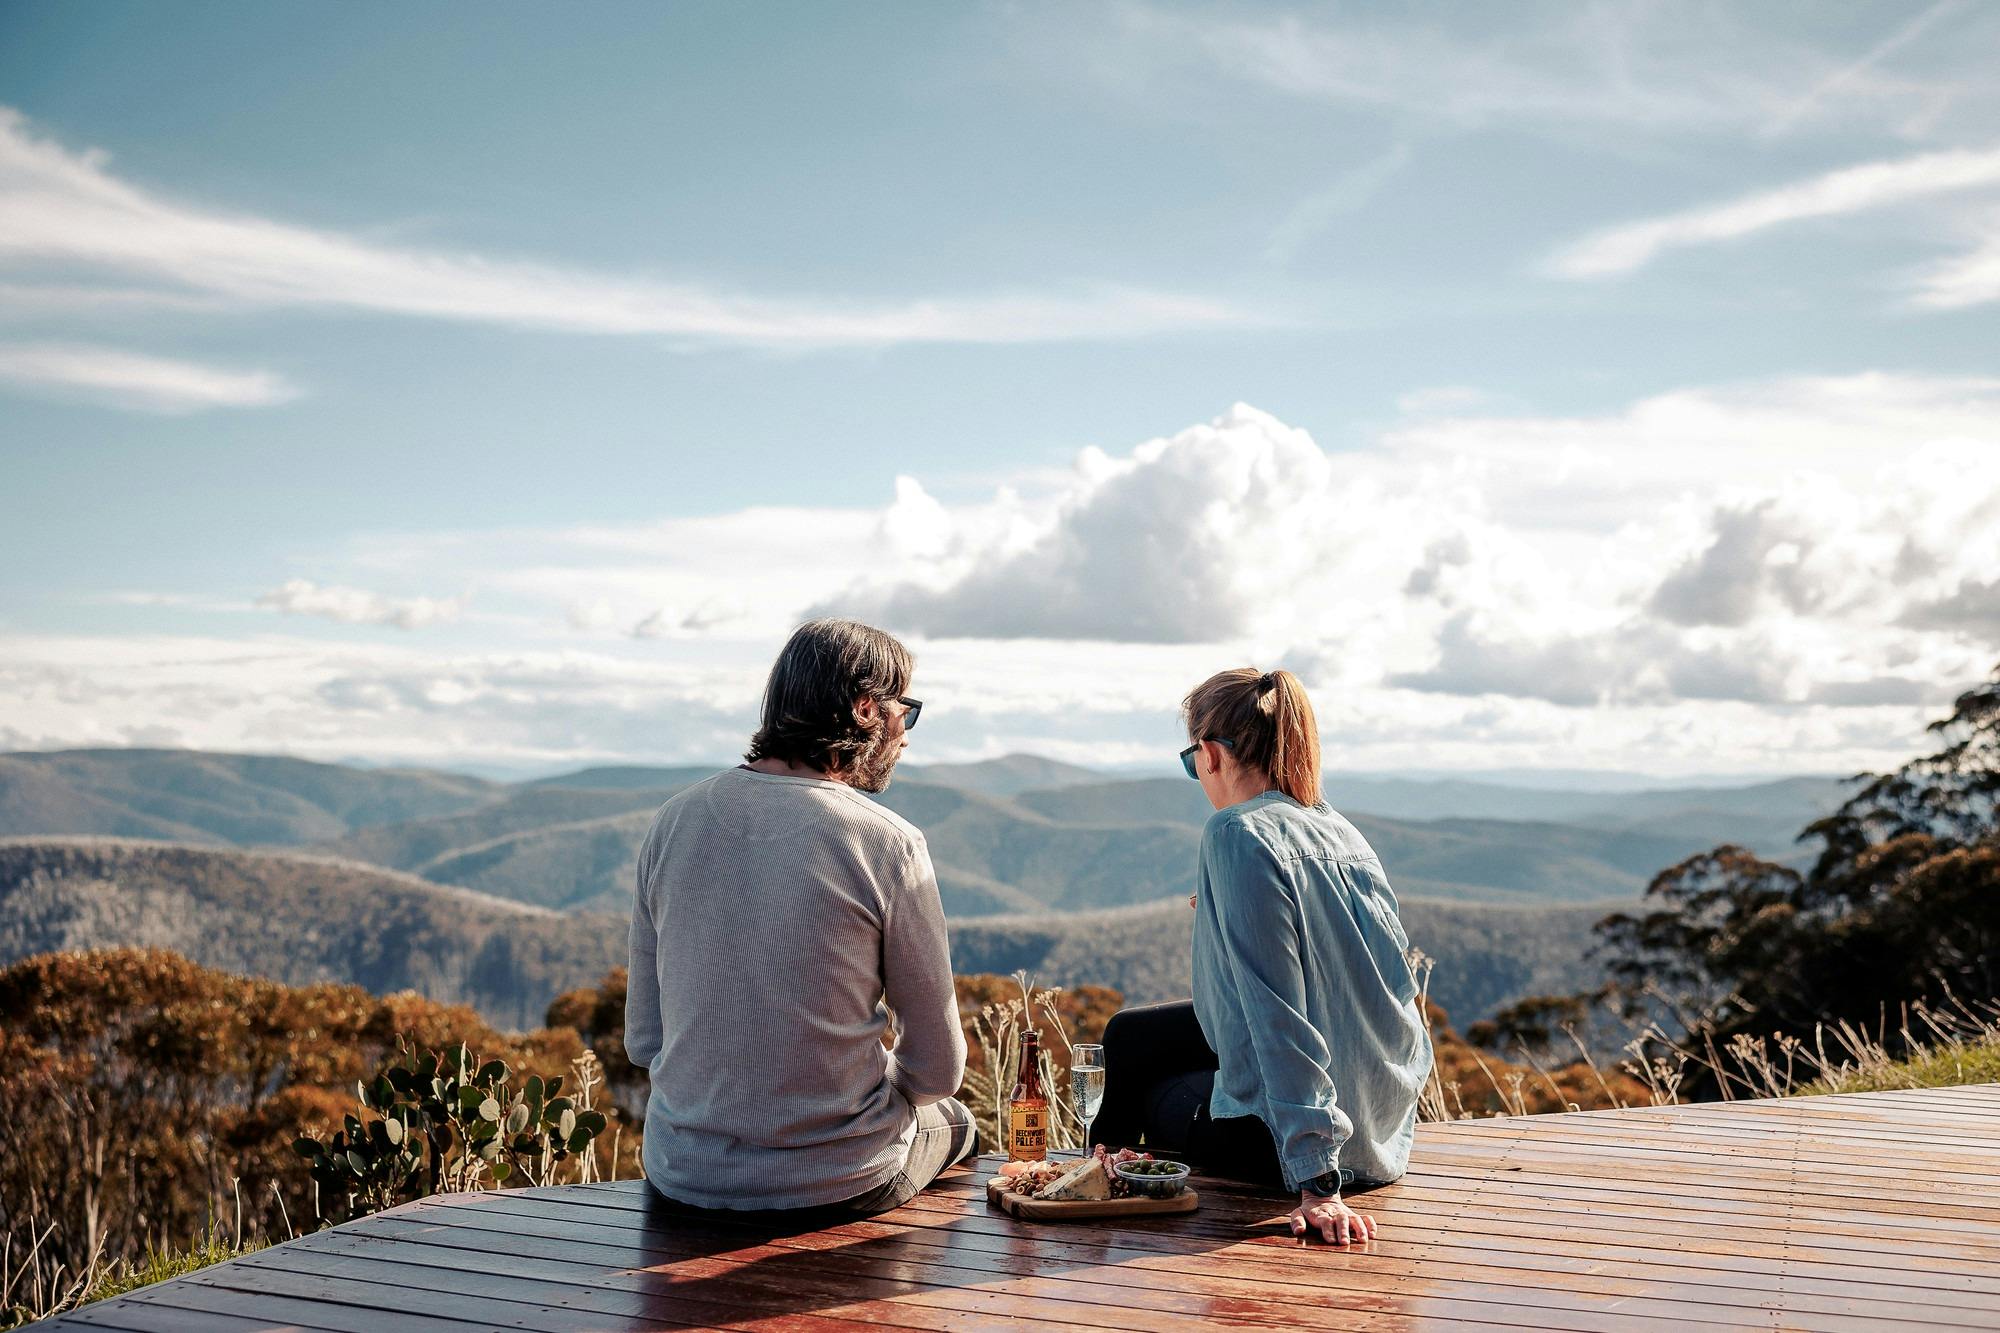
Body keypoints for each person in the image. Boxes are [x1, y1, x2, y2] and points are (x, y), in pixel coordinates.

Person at [624, 618, 972, 1216]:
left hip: (683, 1174)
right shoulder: (887, 842)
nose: (907, 736)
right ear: (867, 709)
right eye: (904, 712)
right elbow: (938, 1071)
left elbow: (645, 1040)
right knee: (956, 1124)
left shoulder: (672, 821)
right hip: (837, 1179)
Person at [1092, 667, 1432, 1246]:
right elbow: (1386, 985)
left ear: (1209, 754)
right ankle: (1096, 1165)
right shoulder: (1339, 830)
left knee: (1149, 1094)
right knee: (1129, 1036)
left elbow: (1277, 1014)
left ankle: (1094, 1183)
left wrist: (1318, 1182)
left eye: (1189, 760)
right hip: (1380, 1125)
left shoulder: (1235, 831)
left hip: (1291, 1147)